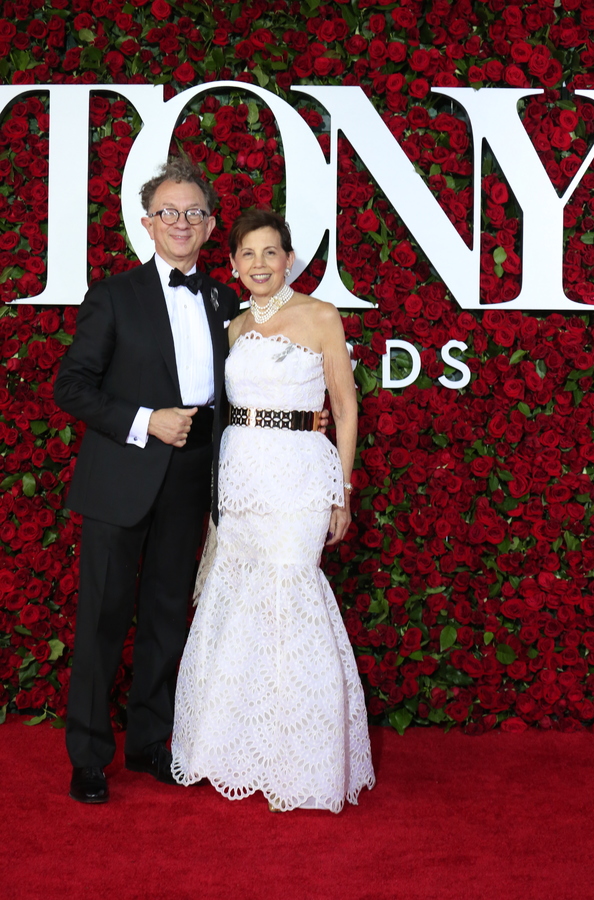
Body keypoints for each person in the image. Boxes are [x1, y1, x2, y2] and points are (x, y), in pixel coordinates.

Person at [171, 209, 375, 812]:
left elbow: (344, 405)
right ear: (232, 264)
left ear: (289, 259)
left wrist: (341, 490)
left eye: (270, 253)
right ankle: (231, 749)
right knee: (235, 601)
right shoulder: (230, 328)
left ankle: (301, 758)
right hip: (240, 474)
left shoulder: (320, 316)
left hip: (299, 476)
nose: (259, 264)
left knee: (292, 591)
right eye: (247, 255)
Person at [53, 157, 239, 804]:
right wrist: (144, 421)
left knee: (166, 615)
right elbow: (70, 387)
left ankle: (152, 743)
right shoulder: (113, 295)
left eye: (193, 212)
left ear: (211, 225)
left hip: (191, 477)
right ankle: (88, 757)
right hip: (121, 474)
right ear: (148, 224)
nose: (181, 222)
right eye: (169, 212)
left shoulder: (223, 298)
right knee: (102, 619)